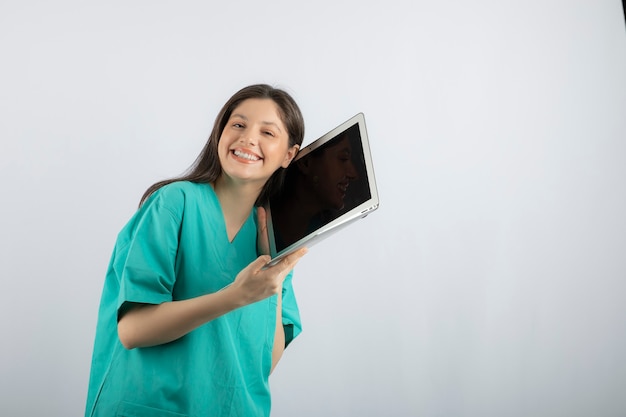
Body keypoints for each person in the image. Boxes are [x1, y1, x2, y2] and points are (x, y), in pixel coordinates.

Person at [85, 84, 308, 417]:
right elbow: (132, 330)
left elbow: (262, 364)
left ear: (289, 154)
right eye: (238, 125)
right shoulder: (174, 204)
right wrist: (235, 295)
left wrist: (273, 273)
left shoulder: (271, 239)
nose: (248, 138)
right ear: (220, 132)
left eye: (267, 132)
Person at [269, 130, 359, 251]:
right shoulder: (253, 222)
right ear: (306, 162)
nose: (353, 174)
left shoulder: (322, 239)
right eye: (343, 158)